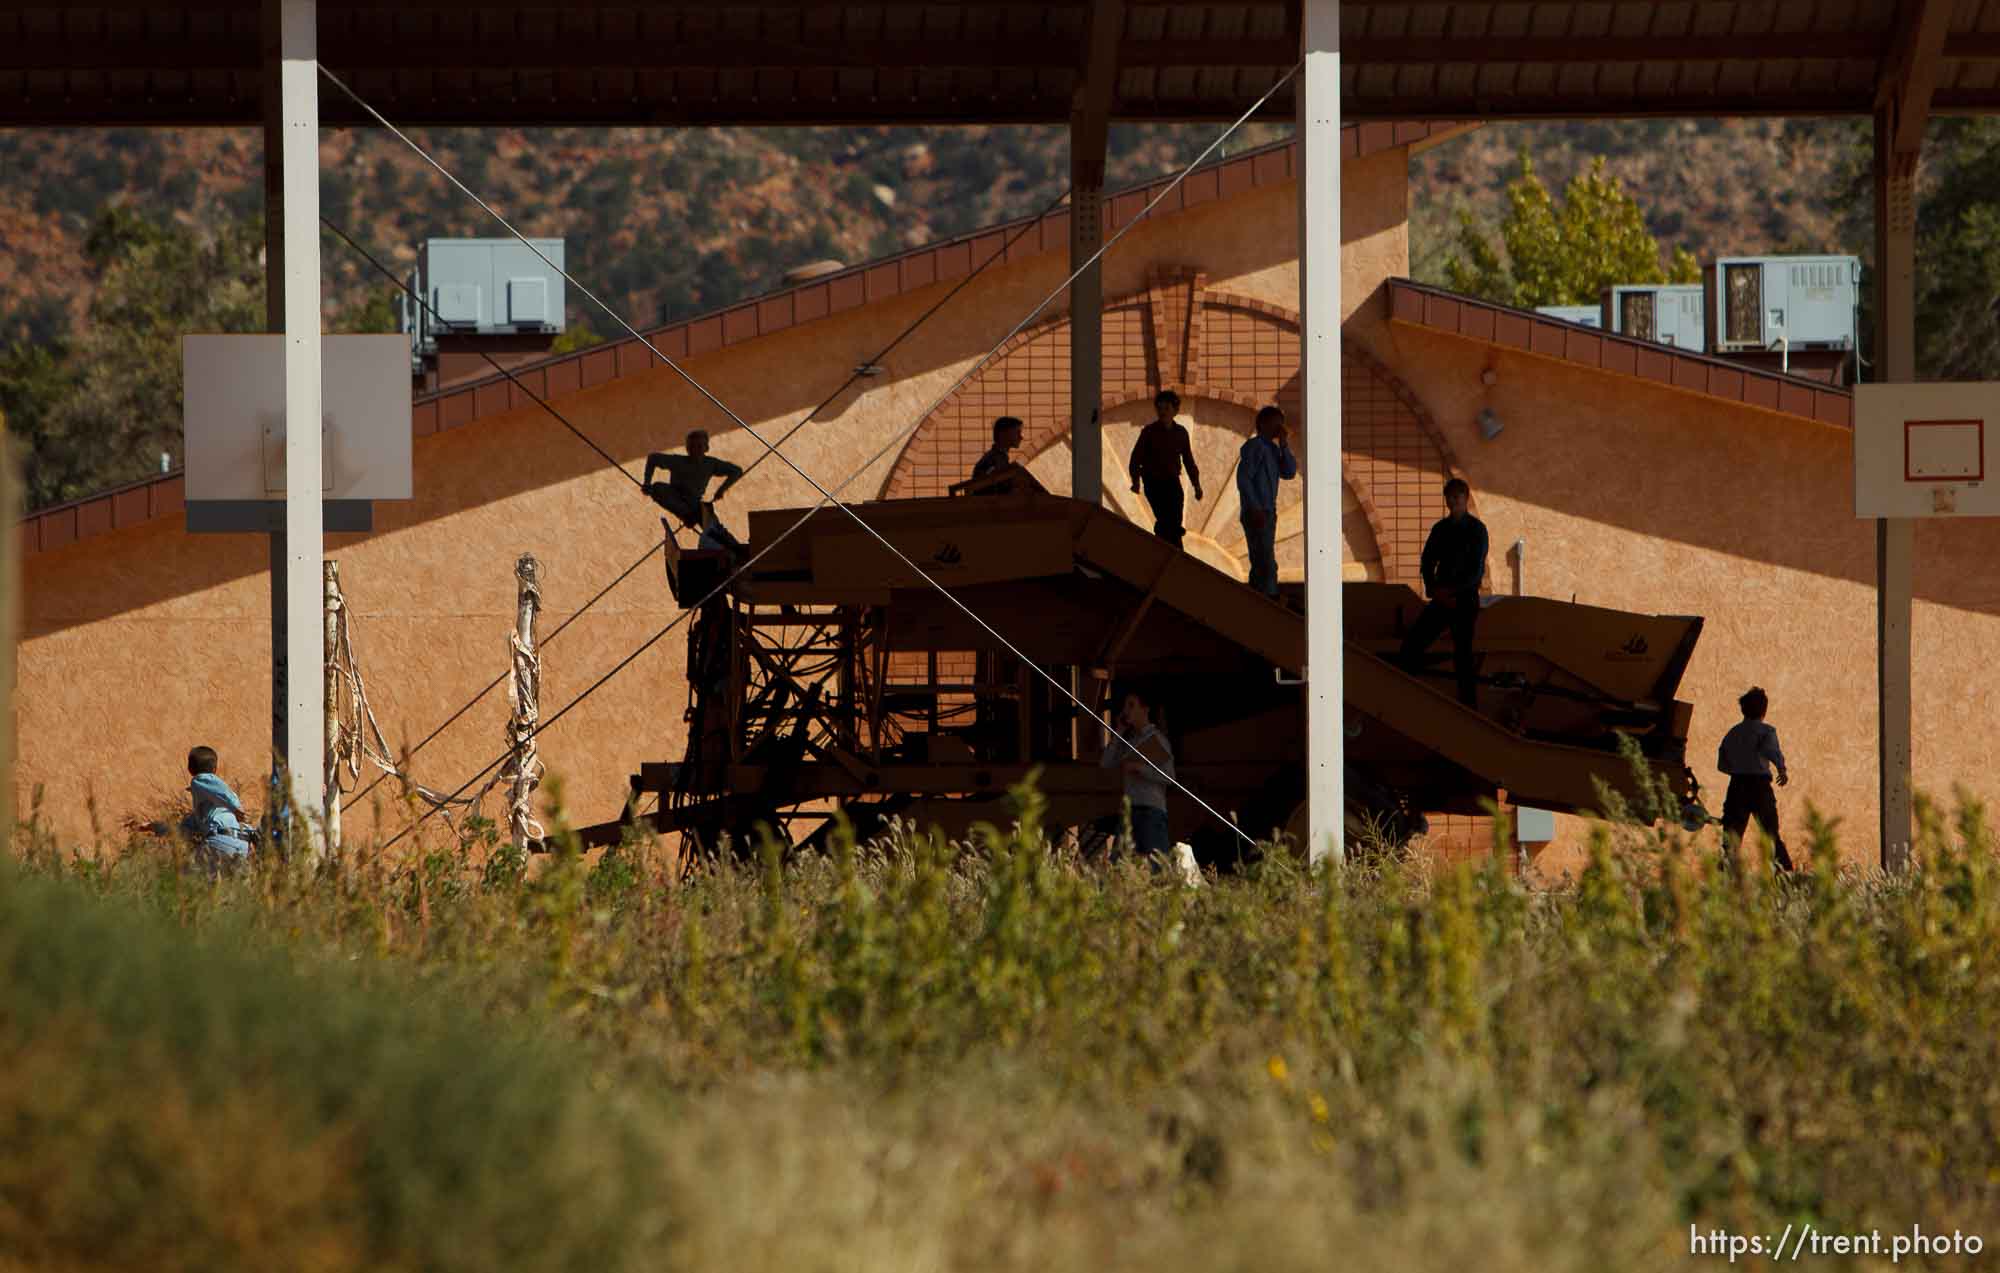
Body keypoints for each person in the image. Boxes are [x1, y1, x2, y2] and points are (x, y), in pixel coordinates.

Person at [1397, 477, 1488, 708]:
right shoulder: (1441, 529)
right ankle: (1406, 697)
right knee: (1412, 645)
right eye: (1450, 496)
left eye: (1457, 496)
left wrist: (1449, 592)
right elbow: (1427, 561)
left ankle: (1469, 708)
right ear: (1446, 499)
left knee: (1463, 655)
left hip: (1464, 600)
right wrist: (1433, 589)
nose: (1453, 500)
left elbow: (1476, 571)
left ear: (1466, 498)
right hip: (1442, 597)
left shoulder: (1477, 530)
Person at [1717, 686, 1795, 872]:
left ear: (1743, 709)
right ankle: (1784, 876)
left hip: (1737, 786)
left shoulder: (1733, 733)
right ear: (1764, 710)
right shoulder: (1766, 731)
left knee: (1732, 837)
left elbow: (1722, 763)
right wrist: (1781, 769)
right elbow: (1772, 751)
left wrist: (1738, 770)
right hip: (1759, 787)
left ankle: (1724, 879)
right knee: (1770, 835)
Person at [144, 745, 252, 877]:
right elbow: (178, 829)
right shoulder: (204, 814)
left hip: (220, 842)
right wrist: (152, 826)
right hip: (242, 845)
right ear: (215, 768)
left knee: (185, 879)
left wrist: (235, 807)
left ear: (190, 769)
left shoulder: (200, 780)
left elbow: (219, 788)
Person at [1098, 688, 1175, 857]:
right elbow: (1106, 763)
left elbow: (1169, 777)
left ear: (1145, 710)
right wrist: (1119, 731)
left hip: (1151, 812)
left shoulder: (1158, 739)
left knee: (1156, 865)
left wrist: (1140, 769)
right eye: (1125, 706)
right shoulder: (1129, 743)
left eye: (1131, 705)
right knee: (1119, 865)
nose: (1126, 710)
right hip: (1129, 811)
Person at [1236, 404, 1298, 597]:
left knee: (1261, 557)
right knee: (1265, 560)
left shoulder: (1272, 449)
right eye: (1275, 423)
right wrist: (1254, 508)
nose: (1278, 428)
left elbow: (1289, 472)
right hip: (1258, 511)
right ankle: (1269, 594)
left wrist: (1284, 445)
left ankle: (1257, 592)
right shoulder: (1256, 447)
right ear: (1263, 423)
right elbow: (1244, 478)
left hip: (1268, 511)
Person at [1129, 390, 1202, 547]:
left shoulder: (1181, 433)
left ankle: (1170, 554)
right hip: (1153, 484)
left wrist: (1197, 485)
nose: (1162, 412)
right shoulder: (1148, 432)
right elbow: (1135, 459)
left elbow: (1189, 461)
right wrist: (1136, 481)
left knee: (1174, 520)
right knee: (1164, 521)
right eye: (1159, 408)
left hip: (1172, 483)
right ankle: (1173, 554)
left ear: (1175, 411)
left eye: (1166, 408)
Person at [644, 430, 744, 544]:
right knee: (657, 488)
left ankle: (737, 549)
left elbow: (737, 471)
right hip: (677, 499)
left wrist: (721, 490)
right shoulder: (678, 461)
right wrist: (647, 483)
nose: (695, 450)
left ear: (706, 448)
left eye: (699, 446)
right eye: (692, 446)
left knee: (715, 529)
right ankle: (688, 515)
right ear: (687, 448)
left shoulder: (710, 464)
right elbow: (653, 458)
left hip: (695, 504)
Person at [967, 415, 1027, 495]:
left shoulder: (998, 457)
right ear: (1003, 434)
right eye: (1017, 432)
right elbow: (989, 485)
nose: (1021, 437)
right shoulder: (993, 459)